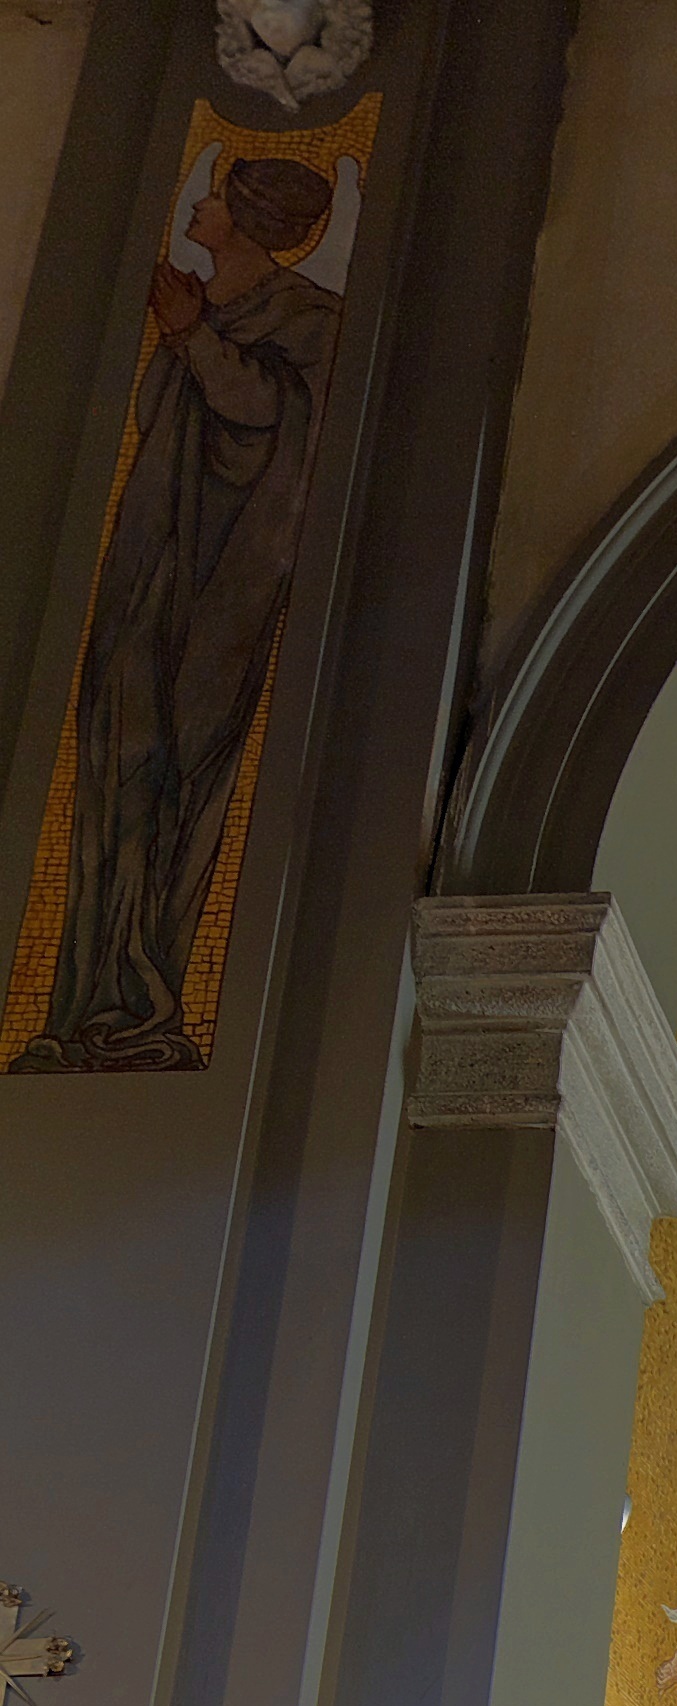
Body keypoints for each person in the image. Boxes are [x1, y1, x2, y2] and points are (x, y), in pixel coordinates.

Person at [15, 156, 342, 1071]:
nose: (197, 203)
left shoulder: (309, 319)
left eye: (217, 196)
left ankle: (145, 995)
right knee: (112, 758)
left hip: (221, 589)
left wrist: (195, 335)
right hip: (142, 572)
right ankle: (84, 995)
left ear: (246, 217)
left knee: (179, 763)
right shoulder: (190, 300)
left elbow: (260, 419)